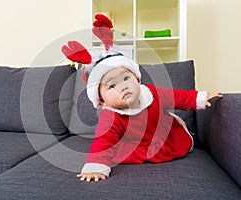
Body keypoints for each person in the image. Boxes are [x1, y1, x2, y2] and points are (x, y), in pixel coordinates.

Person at [61, 14, 223, 182]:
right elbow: (102, 142)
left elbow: (177, 97)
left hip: (164, 135)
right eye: (111, 86)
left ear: (137, 80)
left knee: (169, 145)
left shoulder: (150, 94)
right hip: (134, 142)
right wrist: (95, 167)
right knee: (113, 151)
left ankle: (176, 140)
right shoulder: (110, 116)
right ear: (101, 100)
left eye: (126, 79)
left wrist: (202, 98)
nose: (123, 86)